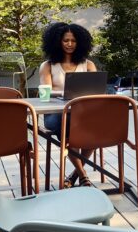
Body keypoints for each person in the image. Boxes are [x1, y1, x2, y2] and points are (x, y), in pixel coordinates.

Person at [39, 22, 97, 188]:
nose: (70, 44)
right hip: (56, 113)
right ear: (57, 42)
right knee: (67, 131)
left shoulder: (88, 65)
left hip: (83, 112)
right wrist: (67, 94)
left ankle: (73, 176)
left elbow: (96, 91)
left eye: (73, 40)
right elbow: (45, 94)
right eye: (66, 40)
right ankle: (83, 175)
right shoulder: (48, 66)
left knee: (95, 134)